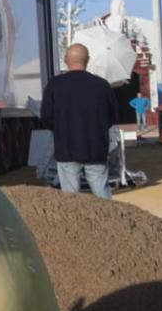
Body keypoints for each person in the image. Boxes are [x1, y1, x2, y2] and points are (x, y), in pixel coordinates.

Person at [40, 42, 119, 198]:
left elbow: (46, 117)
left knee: (71, 199)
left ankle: (74, 223)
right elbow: (113, 116)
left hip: (66, 147)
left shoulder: (55, 85)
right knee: (102, 195)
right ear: (87, 60)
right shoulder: (102, 85)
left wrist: (61, 130)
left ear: (65, 60)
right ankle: (108, 221)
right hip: (96, 148)